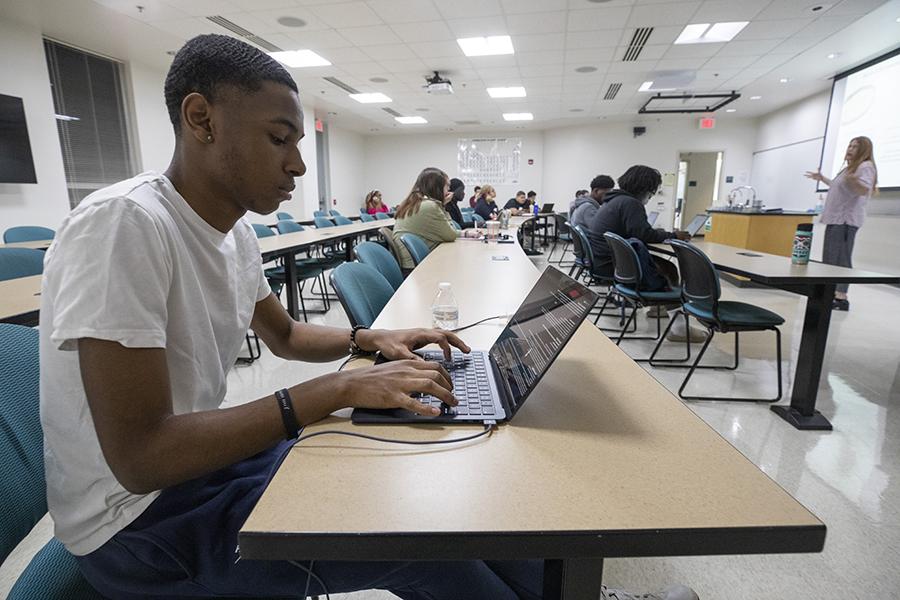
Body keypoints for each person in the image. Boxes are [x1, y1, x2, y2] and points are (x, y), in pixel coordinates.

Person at [41, 34, 697, 600]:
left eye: (298, 142)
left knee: (417, 482)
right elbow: (141, 457)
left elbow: (288, 335)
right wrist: (340, 387)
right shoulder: (124, 226)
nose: (298, 163)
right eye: (279, 139)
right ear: (201, 119)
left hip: (199, 475)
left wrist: (369, 339)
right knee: (410, 539)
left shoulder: (231, 232)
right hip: (139, 528)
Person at [584, 165, 703, 343]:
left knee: (667, 266)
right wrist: (672, 235)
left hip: (602, 261)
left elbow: (636, 231)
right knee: (668, 270)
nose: (650, 197)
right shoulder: (630, 203)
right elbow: (643, 234)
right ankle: (678, 328)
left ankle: (659, 308)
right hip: (614, 266)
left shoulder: (613, 201)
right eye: (651, 192)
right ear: (645, 189)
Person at [805, 136, 878, 311]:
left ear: (864, 150)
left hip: (845, 221)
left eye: (855, 146)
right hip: (835, 219)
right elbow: (839, 186)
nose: (850, 149)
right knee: (830, 259)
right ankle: (830, 293)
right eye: (849, 145)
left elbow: (863, 189)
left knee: (841, 259)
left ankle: (841, 297)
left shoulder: (865, 166)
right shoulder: (849, 168)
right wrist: (823, 179)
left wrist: (854, 179)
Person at [391, 167, 461, 271]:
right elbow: (451, 235)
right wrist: (443, 205)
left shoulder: (415, 202)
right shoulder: (429, 206)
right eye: (447, 187)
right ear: (437, 187)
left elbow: (449, 232)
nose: (448, 191)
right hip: (414, 268)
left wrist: (464, 233)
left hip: (411, 263)